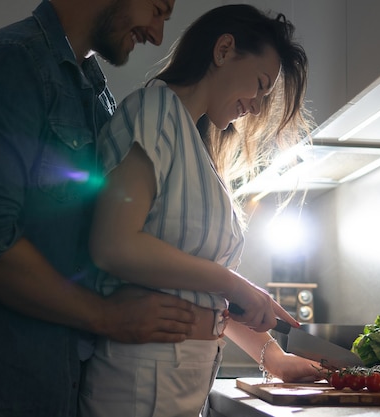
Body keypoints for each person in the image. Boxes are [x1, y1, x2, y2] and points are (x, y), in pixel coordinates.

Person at [0, 1, 201, 416]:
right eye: (156, 9)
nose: (157, 35)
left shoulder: (99, 98)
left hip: (52, 389)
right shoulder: (10, 62)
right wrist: (109, 317)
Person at [79, 5, 322, 417]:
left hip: (177, 376)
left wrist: (272, 356)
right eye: (260, 86)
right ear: (224, 49)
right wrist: (235, 285)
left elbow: (196, 290)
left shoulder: (198, 148)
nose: (257, 108)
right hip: (140, 378)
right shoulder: (155, 111)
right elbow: (114, 245)